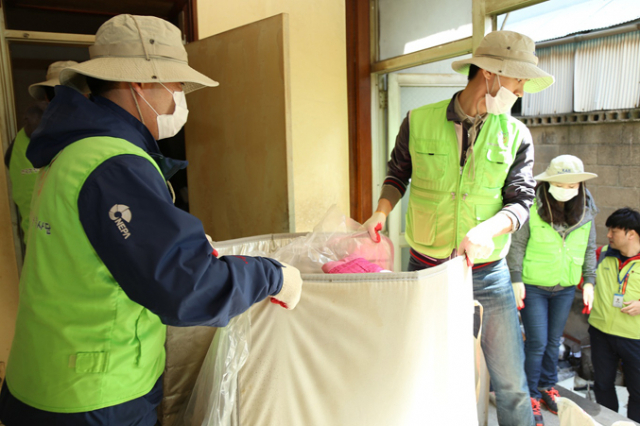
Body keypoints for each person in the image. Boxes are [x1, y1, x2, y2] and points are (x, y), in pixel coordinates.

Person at [0, 14, 302, 426]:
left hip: (43, 375)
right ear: (141, 83)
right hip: (95, 393)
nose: (179, 98)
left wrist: (165, 241)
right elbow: (186, 289)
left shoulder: (72, 149)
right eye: (176, 85)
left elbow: (93, 248)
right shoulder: (114, 163)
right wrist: (272, 275)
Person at [363, 30, 554, 426]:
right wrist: (381, 212)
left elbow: (521, 200)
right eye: (517, 79)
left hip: (488, 274)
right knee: (425, 369)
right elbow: (399, 174)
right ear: (489, 73)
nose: (521, 89)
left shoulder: (516, 134)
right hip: (426, 269)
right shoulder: (418, 121)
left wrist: (489, 229)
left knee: (511, 382)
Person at [506, 155, 598, 423]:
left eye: (573, 185)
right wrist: (516, 278)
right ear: (548, 182)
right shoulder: (533, 206)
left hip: (565, 287)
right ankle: (530, 395)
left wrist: (589, 281)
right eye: (562, 184)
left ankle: (548, 387)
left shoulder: (587, 209)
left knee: (553, 342)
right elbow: (518, 244)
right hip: (533, 286)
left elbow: (589, 248)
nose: (568, 189)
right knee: (537, 343)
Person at [4, 60, 79, 239]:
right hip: (73, 245)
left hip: (35, 243)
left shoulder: (20, 140)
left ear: (45, 97)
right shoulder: (78, 135)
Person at [588, 208, 640, 423]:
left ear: (631, 234)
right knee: (602, 385)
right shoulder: (602, 255)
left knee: (637, 392)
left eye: (614, 231)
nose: (608, 235)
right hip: (600, 333)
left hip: (634, 338)